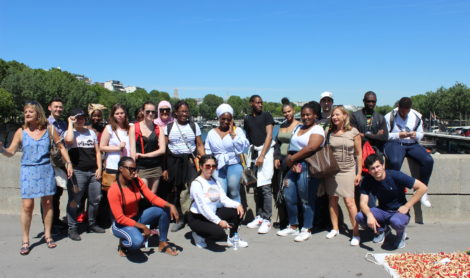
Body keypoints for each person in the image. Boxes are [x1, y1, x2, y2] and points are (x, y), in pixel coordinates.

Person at [0, 101, 73, 255]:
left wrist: (69, 163)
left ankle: (47, 235)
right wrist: (1, 149)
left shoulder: (49, 129)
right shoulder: (21, 132)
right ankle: (25, 240)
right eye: (25, 111)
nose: (27, 114)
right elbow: (11, 152)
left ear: (38, 113)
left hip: (46, 170)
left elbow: (61, 147)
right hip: (28, 171)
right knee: (27, 206)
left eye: (30, 111)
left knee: (48, 203)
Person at [108, 157, 180, 256]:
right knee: (137, 242)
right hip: (121, 225)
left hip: (136, 218)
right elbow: (120, 218)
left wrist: (171, 205)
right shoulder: (114, 190)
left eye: (135, 169)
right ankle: (123, 244)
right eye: (131, 169)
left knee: (164, 209)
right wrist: (143, 227)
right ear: (121, 169)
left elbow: (152, 198)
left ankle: (162, 242)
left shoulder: (136, 181)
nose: (134, 172)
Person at [355, 154, 428, 249]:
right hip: (382, 210)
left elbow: (422, 187)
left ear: (383, 165)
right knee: (360, 217)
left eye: (378, 166)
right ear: (369, 171)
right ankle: (382, 230)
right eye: (372, 168)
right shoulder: (367, 181)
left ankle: (400, 234)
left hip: (399, 212)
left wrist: (407, 206)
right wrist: (369, 216)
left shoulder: (395, 175)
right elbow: (363, 203)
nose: (376, 170)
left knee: (396, 222)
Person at [276, 101, 324, 242]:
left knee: (306, 199)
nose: (305, 117)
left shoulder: (317, 129)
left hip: (308, 165)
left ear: (315, 115)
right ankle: (293, 226)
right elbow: (291, 145)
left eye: (308, 114)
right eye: (303, 115)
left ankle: (307, 228)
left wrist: (292, 159)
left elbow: (311, 148)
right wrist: (291, 161)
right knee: (289, 195)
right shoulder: (298, 128)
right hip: (294, 165)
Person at [188, 155, 248, 249]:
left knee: (237, 211)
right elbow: (203, 208)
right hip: (198, 218)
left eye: (214, 166)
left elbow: (223, 199)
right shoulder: (196, 184)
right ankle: (198, 234)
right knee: (219, 234)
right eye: (208, 166)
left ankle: (233, 237)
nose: (211, 169)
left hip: (212, 213)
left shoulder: (214, 181)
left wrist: (238, 204)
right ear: (201, 166)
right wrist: (219, 221)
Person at [163, 100, 205, 232]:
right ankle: (179, 218)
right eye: (181, 111)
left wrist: (204, 161)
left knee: (194, 188)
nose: (184, 114)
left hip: (190, 161)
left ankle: (194, 216)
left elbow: (199, 145)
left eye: (186, 111)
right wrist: (164, 168)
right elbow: (164, 148)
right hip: (173, 161)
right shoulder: (169, 127)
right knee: (176, 190)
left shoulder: (194, 126)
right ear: (176, 112)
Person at [323, 106, 362, 246]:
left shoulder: (353, 132)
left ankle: (356, 233)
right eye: (333, 115)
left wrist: (359, 173)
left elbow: (359, 154)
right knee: (332, 200)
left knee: (350, 202)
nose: (334, 117)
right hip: (333, 171)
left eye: (337, 114)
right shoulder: (329, 131)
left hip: (348, 170)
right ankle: (335, 228)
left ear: (345, 116)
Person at [384, 97, 433, 207]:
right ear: (398, 107)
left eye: (406, 112)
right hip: (395, 143)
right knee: (395, 161)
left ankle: (422, 191)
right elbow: (385, 136)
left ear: (410, 109)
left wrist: (416, 135)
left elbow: (421, 134)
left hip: (411, 143)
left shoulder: (417, 116)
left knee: (428, 160)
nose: (404, 114)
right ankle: (394, 191)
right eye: (402, 112)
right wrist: (398, 135)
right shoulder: (389, 116)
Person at [64, 108, 104, 241]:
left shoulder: (91, 133)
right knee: (75, 201)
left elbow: (97, 152)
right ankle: (72, 228)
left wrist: (99, 168)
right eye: (77, 118)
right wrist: (70, 123)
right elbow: (69, 141)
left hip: (93, 172)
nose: (80, 120)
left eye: (82, 118)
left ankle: (91, 224)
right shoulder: (69, 133)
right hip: (77, 172)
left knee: (95, 200)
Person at [204, 104, 249, 203]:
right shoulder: (211, 133)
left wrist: (234, 136)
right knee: (221, 193)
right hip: (217, 166)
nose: (226, 121)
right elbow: (208, 151)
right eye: (223, 119)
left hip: (234, 164)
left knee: (233, 190)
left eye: (228, 119)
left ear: (232, 119)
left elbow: (243, 148)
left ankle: (237, 215)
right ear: (218, 118)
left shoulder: (237, 131)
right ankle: (223, 216)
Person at [243, 95, 275, 234]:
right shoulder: (247, 119)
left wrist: (262, 155)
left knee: (266, 187)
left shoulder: (267, 116)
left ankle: (267, 219)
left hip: (266, 152)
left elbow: (269, 135)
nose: (260, 105)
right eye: (257, 103)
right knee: (256, 186)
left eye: (261, 102)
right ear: (251, 104)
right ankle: (259, 216)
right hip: (254, 153)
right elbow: (248, 137)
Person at [273, 98, 300, 229]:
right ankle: (284, 220)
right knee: (281, 190)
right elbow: (277, 143)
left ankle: (295, 221)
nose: (287, 114)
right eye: (285, 112)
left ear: (293, 111)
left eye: (289, 111)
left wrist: (293, 159)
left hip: (293, 161)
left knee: (292, 191)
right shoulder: (282, 125)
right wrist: (276, 157)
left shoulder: (299, 125)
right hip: (282, 161)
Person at [130, 101, 166, 194]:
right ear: (142, 111)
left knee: (153, 196)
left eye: (153, 112)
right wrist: (133, 169)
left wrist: (145, 155)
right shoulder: (134, 128)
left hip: (156, 166)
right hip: (141, 167)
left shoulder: (158, 128)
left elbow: (162, 150)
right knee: (144, 194)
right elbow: (132, 151)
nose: (150, 114)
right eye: (148, 111)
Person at [47, 97, 68, 229]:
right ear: (50, 108)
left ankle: (55, 220)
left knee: (58, 193)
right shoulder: (45, 123)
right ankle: (48, 224)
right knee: (49, 194)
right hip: (48, 162)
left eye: (60, 107)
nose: (58, 109)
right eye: (56, 107)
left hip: (60, 162)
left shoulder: (63, 124)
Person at [100, 104, 131, 190]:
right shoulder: (109, 128)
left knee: (125, 193)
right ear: (113, 115)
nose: (120, 115)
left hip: (127, 166)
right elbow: (102, 147)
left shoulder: (130, 128)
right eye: (117, 113)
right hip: (113, 165)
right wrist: (117, 148)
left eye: (122, 113)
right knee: (111, 194)